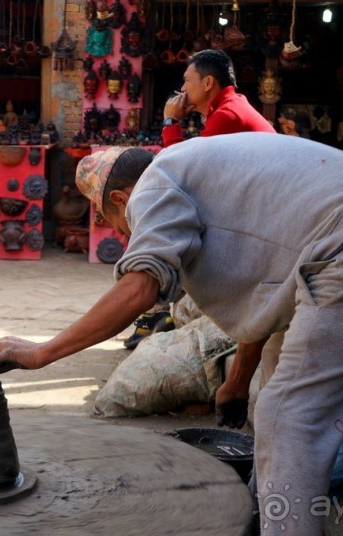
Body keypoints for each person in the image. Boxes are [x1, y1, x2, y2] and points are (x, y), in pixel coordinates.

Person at [0, 133, 343, 536]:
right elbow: (268, 307)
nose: (120, 233)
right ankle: (267, 514)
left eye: (110, 222)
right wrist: (237, 381)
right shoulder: (195, 171)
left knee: (290, 415)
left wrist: (42, 352)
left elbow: (139, 288)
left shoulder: (154, 186)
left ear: (120, 200)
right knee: (275, 385)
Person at [125, 49, 277, 350]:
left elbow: (183, 171)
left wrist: (170, 121)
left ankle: (158, 311)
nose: (183, 90)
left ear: (208, 83)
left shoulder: (227, 115)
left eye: (187, 81)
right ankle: (159, 313)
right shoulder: (228, 108)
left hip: (261, 216)